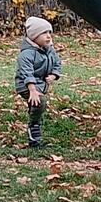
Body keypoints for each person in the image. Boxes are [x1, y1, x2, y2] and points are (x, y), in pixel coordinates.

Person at [15, 15, 62, 150]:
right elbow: (26, 73)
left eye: (49, 33)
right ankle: (33, 127)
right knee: (40, 103)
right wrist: (32, 90)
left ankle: (34, 138)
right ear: (33, 36)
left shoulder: (49, 50)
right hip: (26, 85)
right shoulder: (26, 54)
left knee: (36, 107)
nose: (48, 36)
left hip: (40, 84)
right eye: (43, 33)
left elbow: (57, 63)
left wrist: (54, 75)